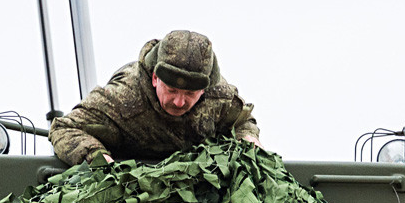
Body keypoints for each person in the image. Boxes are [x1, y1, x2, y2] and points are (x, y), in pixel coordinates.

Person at [49, 29, 261, 166]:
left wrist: (248, 140)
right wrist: (96, 157)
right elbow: (64, 128)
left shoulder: (220, 98)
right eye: (171, 90)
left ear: (203, 91)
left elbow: (243, 122)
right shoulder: (123, 97)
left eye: (190, 94)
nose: (179, 102)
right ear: (154, 79)